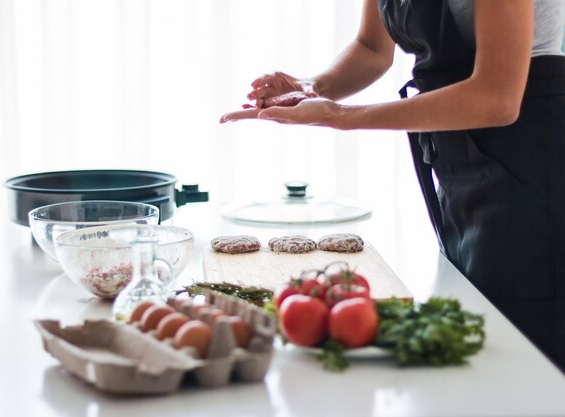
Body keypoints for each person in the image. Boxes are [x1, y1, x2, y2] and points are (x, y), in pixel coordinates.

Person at [221, 0, 565, 371]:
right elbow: (372, 48)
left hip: (533, 161)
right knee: (480, 336)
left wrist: (339, 117)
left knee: (528, 350)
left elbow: (497, 99)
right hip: (457, 160)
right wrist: (312, 88)